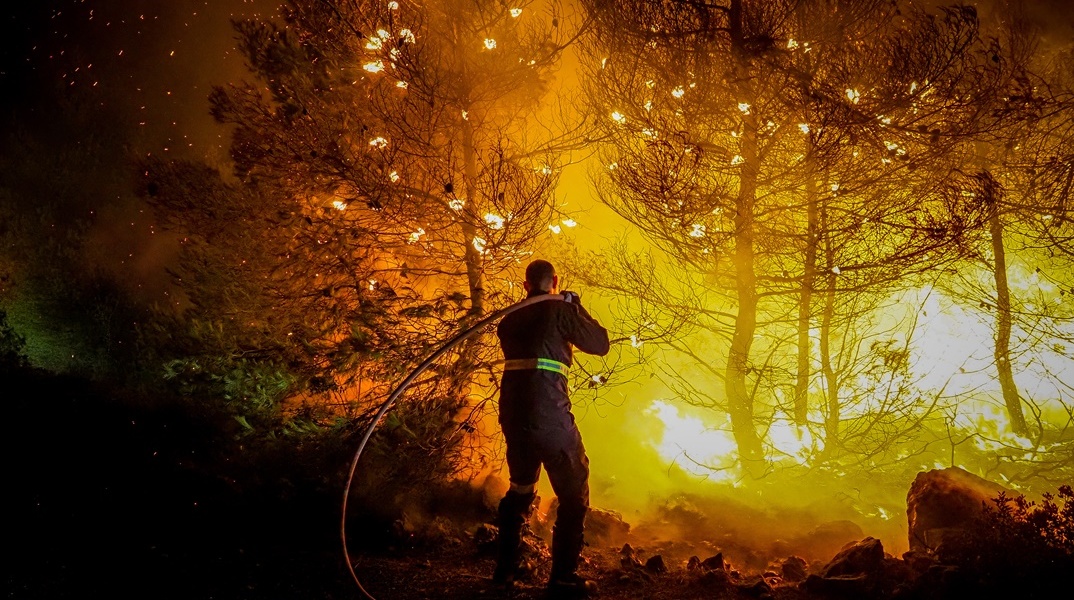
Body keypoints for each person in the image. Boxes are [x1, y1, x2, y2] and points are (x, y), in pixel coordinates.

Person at [493, 259, 610, 598]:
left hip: (514, 416)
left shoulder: (511, 317)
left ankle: (505, 572)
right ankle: (562, 579)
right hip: (549, 414)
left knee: (521, 488)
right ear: (555, 281)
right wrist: (577, 306)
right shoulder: (561, 311)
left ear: (526, 285)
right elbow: (599, 344)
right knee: (575, 491)